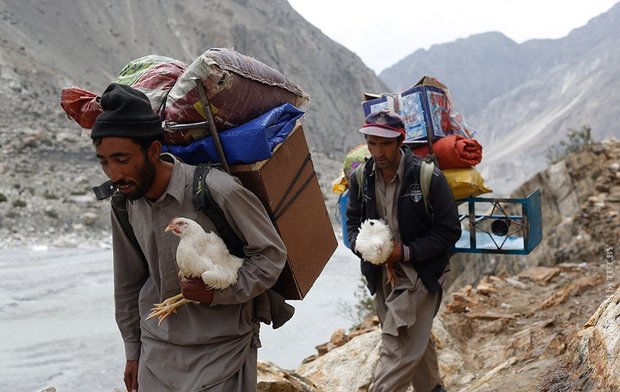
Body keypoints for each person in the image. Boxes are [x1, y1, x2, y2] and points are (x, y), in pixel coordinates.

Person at [91, 83, 290, 391]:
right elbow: (128, 283)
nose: (113, 173)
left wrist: (217, 292)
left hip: (221, 353)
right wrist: (133, 352)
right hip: (157, 354)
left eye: (121, 159)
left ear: (153, 151)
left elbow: (271, 256)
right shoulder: (123, 204)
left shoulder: (218, 191)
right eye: (104, 161)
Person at [346, 109, 461, 392]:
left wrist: (406, 252)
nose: (379, 151)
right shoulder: (361, 179)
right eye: (372, 143)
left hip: (421, 270)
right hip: (383, 274)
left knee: (398, 342)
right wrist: (365, 248)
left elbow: (449, 230)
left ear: (400, 141)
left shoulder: (426, 177)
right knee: (415, 337)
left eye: (385, 143)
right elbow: (351, 223)